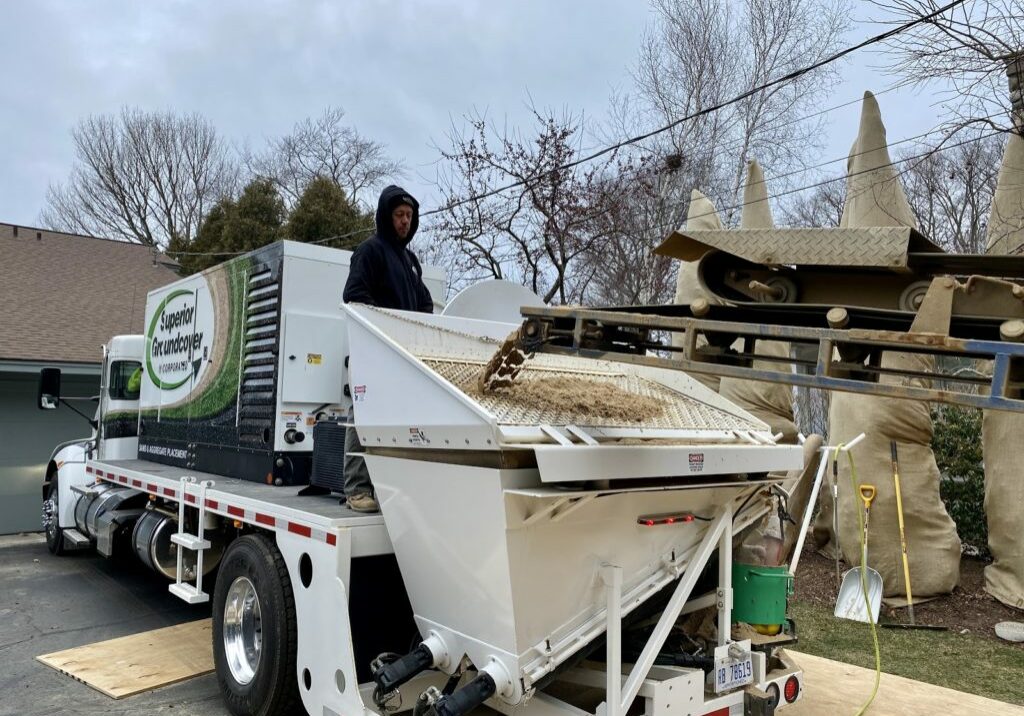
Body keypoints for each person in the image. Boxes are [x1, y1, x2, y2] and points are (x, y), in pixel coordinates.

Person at [341, 185, 434, 512]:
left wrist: (416, 331)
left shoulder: (410, 261)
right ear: (385, 216)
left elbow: (424, 304)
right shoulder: (370, 251)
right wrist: (386, 327)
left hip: (402, 358)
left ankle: (389, 489)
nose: (405, 221)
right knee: (362, 419)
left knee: (397, 425)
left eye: (409, 216)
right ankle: (356, 489)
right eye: (399, 215)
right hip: (372, 354)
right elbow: (353, 295)